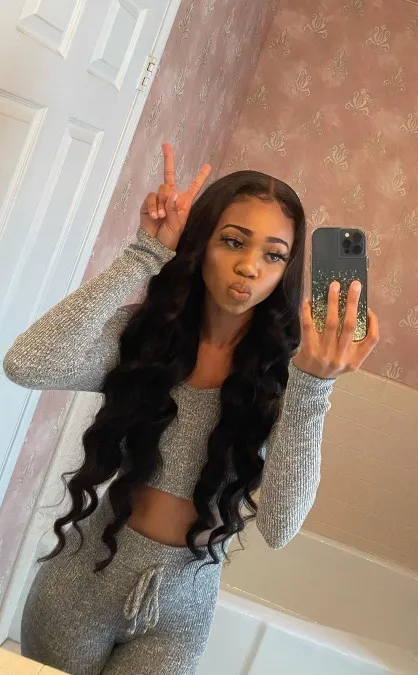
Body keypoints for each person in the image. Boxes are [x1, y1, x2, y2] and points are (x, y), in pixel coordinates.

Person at [3, 143, 379, 675]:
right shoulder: (146, 338)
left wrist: (314, 388)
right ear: (202, 243)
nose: (249, 267)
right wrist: (143, 254)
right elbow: (26, 364)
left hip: (181, 610)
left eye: (273, 255)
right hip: (82, 581)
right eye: (233, 241)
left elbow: (280, 527)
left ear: (286, 271)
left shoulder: (286, 376)